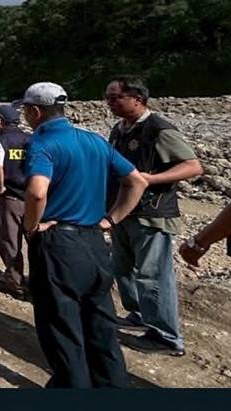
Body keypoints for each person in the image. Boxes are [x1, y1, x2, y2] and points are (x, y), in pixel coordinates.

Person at [17, 81, 149, 388]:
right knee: (102, 329)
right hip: (95, 243)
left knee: (63, 333)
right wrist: (112, 220)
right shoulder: (95, 141)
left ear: (35, 111)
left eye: (25, 109)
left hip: (59, 245)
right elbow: (137, 182)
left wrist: (31, 227)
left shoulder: (42, 144)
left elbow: (37, 193)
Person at [105, 76, 202, 356]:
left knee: (153, 275)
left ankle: (166, 336)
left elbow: (193, 166)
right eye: (108, 98)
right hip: (123, 211)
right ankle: (140, 314)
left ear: (136, 98)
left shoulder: (158, 129)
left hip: (152, 212)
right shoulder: (120, 129)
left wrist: (151, 178)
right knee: (123, 269)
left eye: (115, 97)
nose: (110, 103)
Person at [0, 104, 30, 299]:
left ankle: (15, 283)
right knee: (34, 242)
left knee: (10, 242)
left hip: (10, 198)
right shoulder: (30, 139)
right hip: (31, 198)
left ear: (1, 121)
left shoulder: (0, 140)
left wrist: (1, 187)